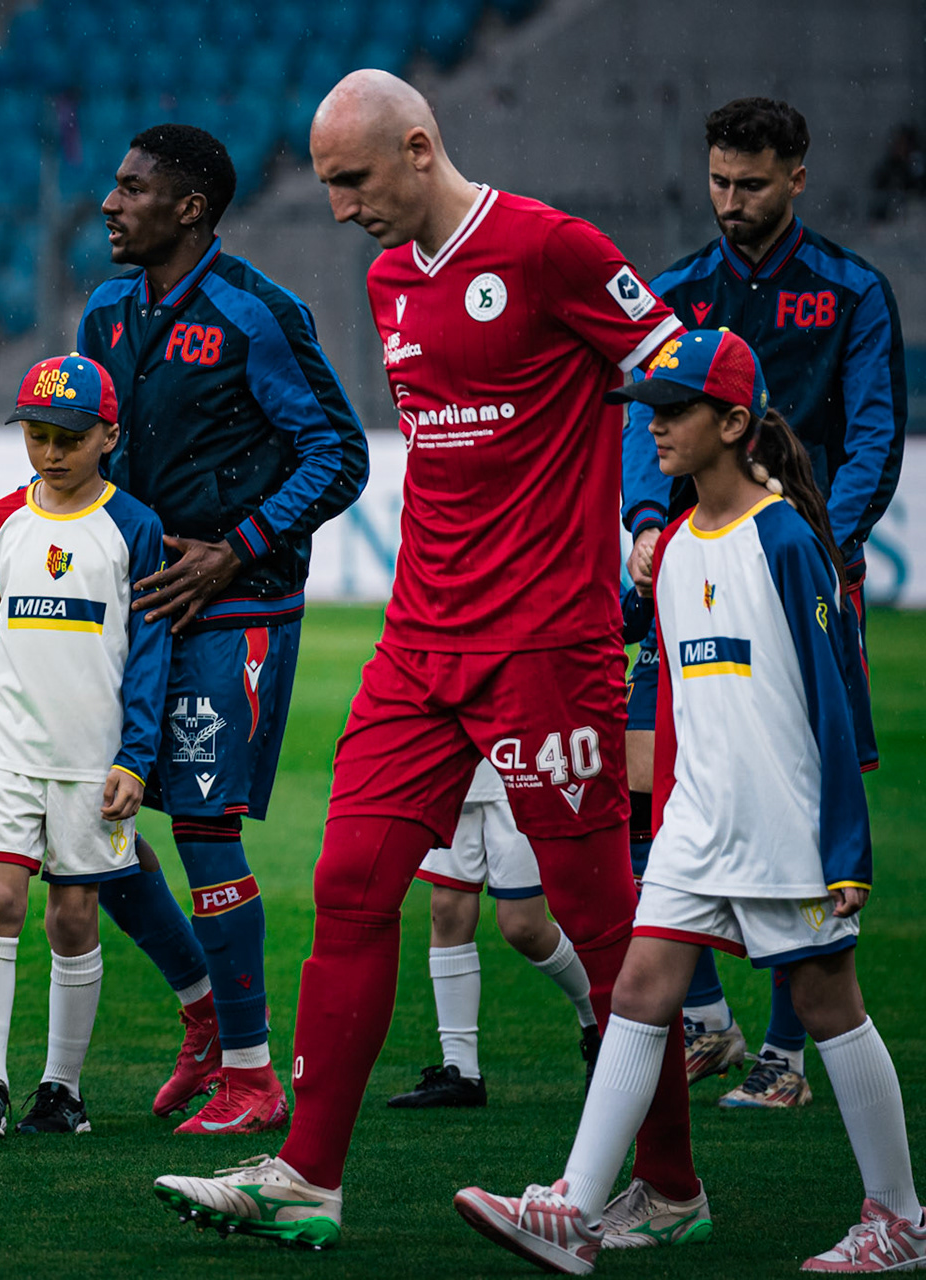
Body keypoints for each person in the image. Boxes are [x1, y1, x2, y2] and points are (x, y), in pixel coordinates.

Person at [150, 71, 700, 1248]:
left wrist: (661, 519)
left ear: (416, 146)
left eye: (353, 180)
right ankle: (308, 1174)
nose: (342, 208)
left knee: (601, 919)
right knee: (349, 883)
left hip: (547, 645)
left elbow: (683, 372)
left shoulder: (551, 248)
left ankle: (669, 1185)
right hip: (420, 643)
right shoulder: (391, 277)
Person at [453, 328, 921, 1275]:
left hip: (784, 827)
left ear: (736, 423)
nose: (655, 429)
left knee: (829, 1002)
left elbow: (838, 701)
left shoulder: (786, 539)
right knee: (637, 989)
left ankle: (901, 1217)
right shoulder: (665, 552)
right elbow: (672, 705)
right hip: (694, 830)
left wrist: (846, 851)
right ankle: (574, 1210)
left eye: (675, 413)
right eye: (651, 411)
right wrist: (664, 814)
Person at [62, 123, 368, 1134]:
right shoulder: (104, 311)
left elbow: (338, 452)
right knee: (95, 834)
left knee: (202, 828)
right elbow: (85, 454)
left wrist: (235, 547)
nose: (111, 202)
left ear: (189, 208)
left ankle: (252, 1072)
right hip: (132, 604)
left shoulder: (258, 314)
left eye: (131, 186)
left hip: (232, 603)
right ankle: (204, 1013)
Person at [621, 97, 906, 1110]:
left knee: (791, 791)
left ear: (797, 177)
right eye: (717, 182)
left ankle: (788, 1052)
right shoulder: (678, 290)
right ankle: (703, 1019)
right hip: (686, 565)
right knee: (644, 787)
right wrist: (648, 519)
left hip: (794, 567)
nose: (730, 201)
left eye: (750, 183)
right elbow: (641, 426)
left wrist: (824, 542)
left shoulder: (852, 290)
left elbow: (875, 428)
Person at [0, 355, 170, 1140]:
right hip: (5, 745)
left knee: (72, 917)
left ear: (108, 436)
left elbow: (149, 650)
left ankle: (60, 1088)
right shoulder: (1, 521)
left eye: (68, 436)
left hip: (90, 759)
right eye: (36, 434)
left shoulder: (135, 526)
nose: (51, 451)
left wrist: (136, 754)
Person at [386, 760, 600, 1109]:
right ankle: (461, 1070)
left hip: (519, 765)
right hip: (453, 766)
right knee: (448, 911)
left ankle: (601, 1021)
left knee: (523, 926)